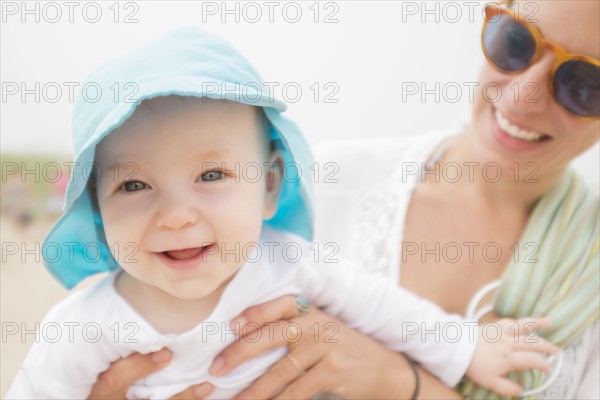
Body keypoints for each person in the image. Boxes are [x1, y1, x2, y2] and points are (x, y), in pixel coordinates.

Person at [5, 27, 557, 399]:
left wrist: (465, 348)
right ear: (98, 213)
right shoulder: (83, 328)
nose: (175, 216)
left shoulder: (286, 262)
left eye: (212, 175)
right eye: (133, 184)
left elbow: (380, 306)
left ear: (269, 187)